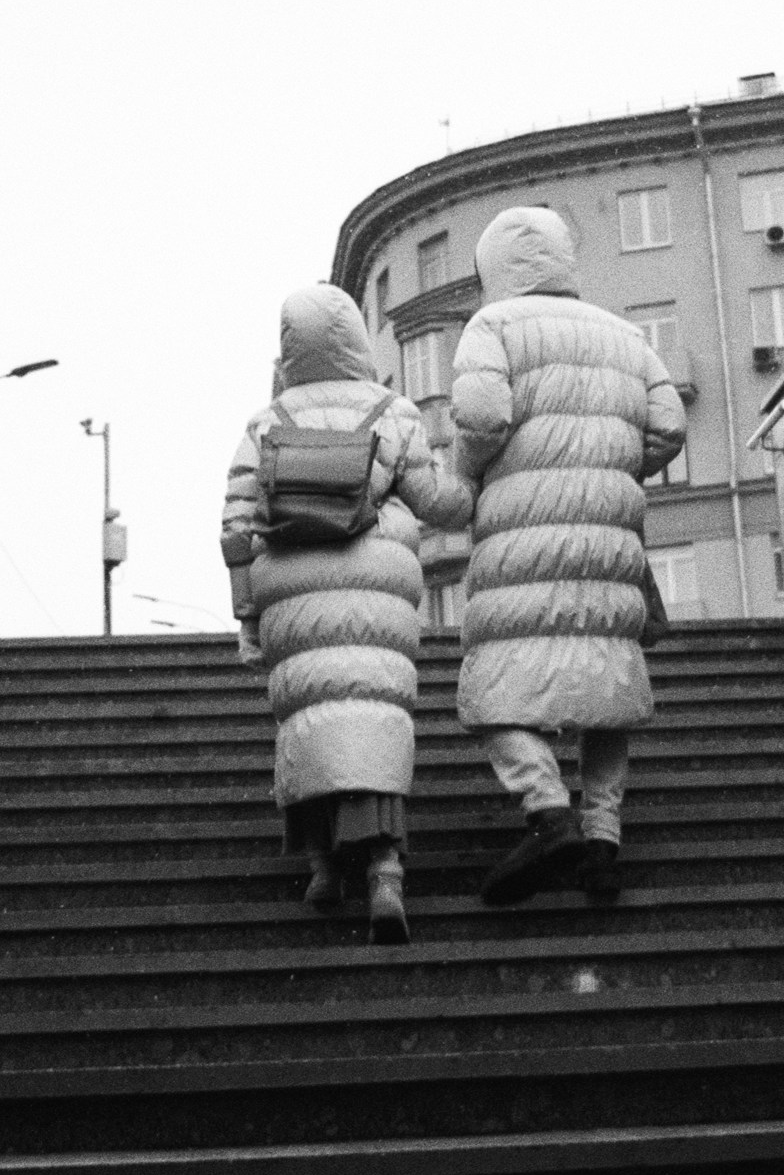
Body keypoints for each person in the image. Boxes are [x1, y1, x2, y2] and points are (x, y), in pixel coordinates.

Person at [447, 207, 688, 906]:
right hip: (609, 531)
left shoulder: (491, 327)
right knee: (609, 686)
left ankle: (548, 812)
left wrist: (470, 473)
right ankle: (603, 843)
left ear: (494, 266)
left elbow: (483, 416)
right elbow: (669, 426)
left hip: (522, 527)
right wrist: (611, 465)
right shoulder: (626, 335)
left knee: (494, 685)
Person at [220, 284, 473, 943]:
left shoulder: (265, 420)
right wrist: (478, 483)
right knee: (372, 712)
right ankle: (386, 870)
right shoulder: (393, 409)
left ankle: (322, 865)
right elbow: (432, 497)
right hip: (374, 586)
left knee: (309, 715)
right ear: (356, 339)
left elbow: (237, 525)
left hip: (291, 587)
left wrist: (248, 614)